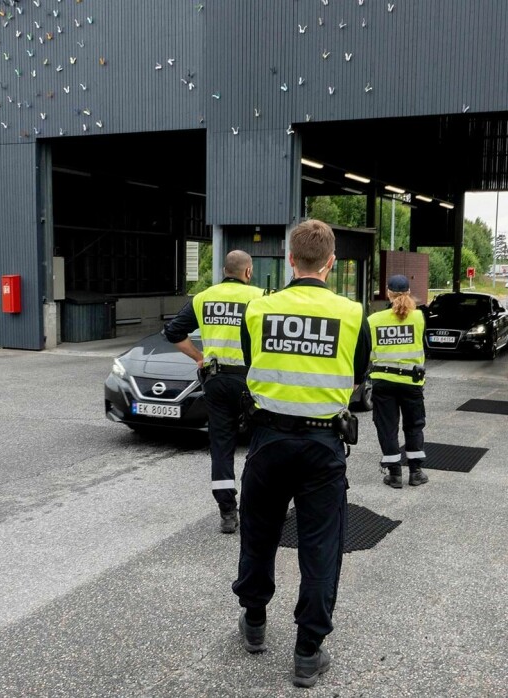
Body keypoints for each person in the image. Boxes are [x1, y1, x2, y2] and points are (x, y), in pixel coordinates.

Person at [232, 220, 370, 689]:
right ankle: (307, 652)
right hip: (322, 446)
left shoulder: (260, 310)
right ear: (331, 263)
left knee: (259, 535)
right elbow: (356, 379)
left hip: (268, 443)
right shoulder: (352, 315)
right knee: (320, 548)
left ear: (291, 259)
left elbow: (254, 366)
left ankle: (253, 623)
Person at [165, 250, 264, 533]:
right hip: (249, 380)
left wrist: (198, 356)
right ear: (248, 272)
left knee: (221, 445)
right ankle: (256, 504)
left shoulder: (203, 297)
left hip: (215, 380)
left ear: (224, 270)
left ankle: (227, 512)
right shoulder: (259, 297)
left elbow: (174, 332)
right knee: (260, 440)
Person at [367, 274, 428, 488]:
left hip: (383, 381)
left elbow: (367, 351)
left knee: (387, 426)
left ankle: (394, 475)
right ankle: (415, 472)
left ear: (388, 293)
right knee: (413, 426)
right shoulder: (418, 317)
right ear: (409, 292)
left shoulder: (374, 320)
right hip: (412, 382)